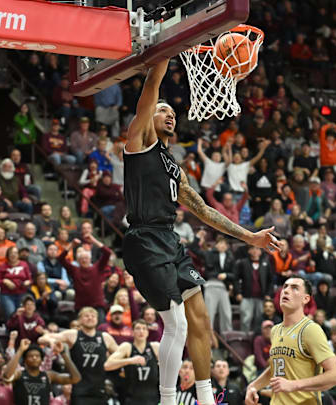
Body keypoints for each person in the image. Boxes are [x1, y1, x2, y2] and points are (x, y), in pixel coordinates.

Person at [123, 58, 279, 405]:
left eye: (172, 113)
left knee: (199, 317)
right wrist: (164, 53)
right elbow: (149, 92)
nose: (170, 115)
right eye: (163, 110)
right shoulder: (138, 142)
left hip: (169, 238)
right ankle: (167, 399)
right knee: (176, 323)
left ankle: (206, 397)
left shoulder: (173, 167)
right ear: (149, 117)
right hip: (144, 238)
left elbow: (204, 210)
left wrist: (250, 237)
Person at [245, 276, 336, 405]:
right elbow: (276, 368)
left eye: (295, 288)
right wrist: (253, 386)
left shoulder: (310, 330)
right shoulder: (275, 330)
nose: (286, 291)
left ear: (306, 299)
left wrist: (294, 385)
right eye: (285, 287)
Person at [39, 307, 118, 405]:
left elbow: (121, 354)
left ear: (97, 320)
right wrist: (51, 341)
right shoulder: (73, 334)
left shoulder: (105, 337)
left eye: (93, 316)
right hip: (80, 391)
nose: (90, 318)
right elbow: (42, 339)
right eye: (86, 316)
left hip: (100, 390)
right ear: (80, 320)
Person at [3, 338, 81, 405]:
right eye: (30, 356)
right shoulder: (19, 374)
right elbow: (6, 375)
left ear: (42, 360)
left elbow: (76, 378)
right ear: (25, 360)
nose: (34, 358)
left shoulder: (49, 375)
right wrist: (20, 350)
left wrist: (63, 353)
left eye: (37, 356)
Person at [103, 319, 161, 405]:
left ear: (148, 332)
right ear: (132, 332)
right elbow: (107, 365)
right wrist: (130, 360)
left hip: (153, 398)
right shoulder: (127, 347)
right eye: (138, 328)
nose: (141, 331)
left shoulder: (155, 346)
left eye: (144, 328)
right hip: (132, 399)